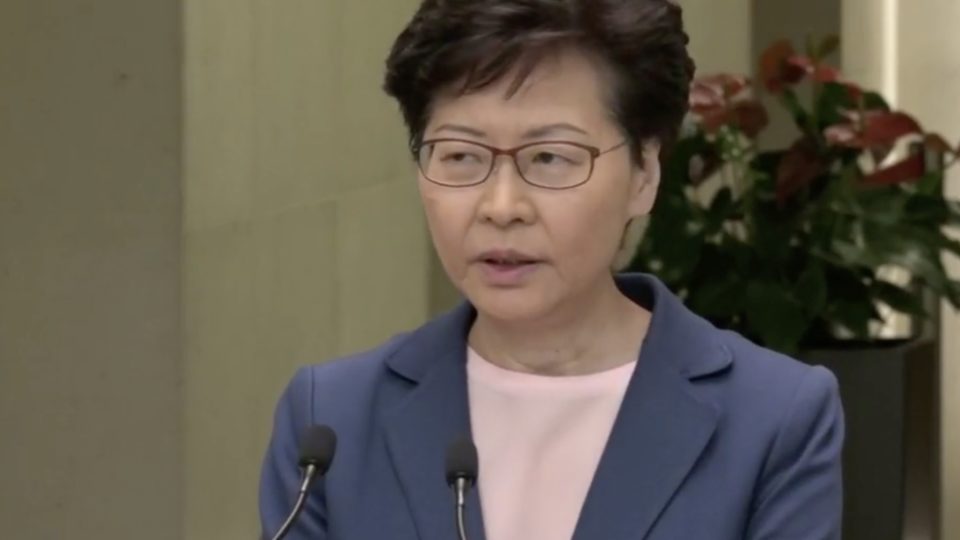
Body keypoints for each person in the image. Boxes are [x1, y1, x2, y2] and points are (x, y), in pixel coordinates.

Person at [259, 0, 845, 538]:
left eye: (550, 158)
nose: (501, 207)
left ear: (644, 172)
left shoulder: (773, 420)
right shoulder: (330, 424)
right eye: (461, 156)